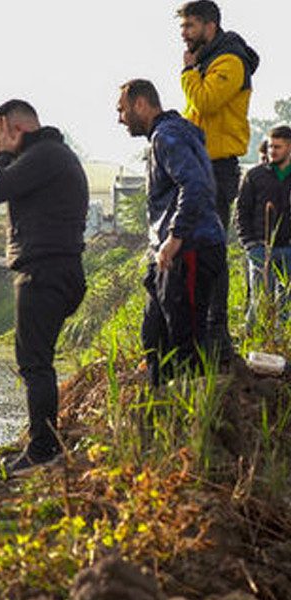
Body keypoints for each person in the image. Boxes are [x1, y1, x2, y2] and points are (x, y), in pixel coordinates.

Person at [0, 99, 88, 472]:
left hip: (45, 272)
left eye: (1, 131)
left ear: (16, 129)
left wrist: (1, 154)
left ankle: (44, 451)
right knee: (37, 362)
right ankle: (40, 440)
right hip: (56, 269)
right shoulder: (51, 155)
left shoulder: (44, 154)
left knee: (35, 364)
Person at [117, 79, 227, 386]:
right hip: (170, 253)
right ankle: (160, 416)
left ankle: (196, 421)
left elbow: (195, 186)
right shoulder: (168, 135)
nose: (120, 119)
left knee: (186, 342)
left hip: (190, 248)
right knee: (154, 336)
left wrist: (174, 237)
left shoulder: (167, 137)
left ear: (141, 104)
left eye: (122, 110)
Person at [177, 0, 260, 361]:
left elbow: (206, 102)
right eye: (182, 27)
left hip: (218, 167)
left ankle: (217, 334)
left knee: (211, 251)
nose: (184, 34)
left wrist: (187, 72)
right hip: (200, 165)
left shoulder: (229, 62)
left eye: (190, 26)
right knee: (198, 252)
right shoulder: (209, 62)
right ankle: (200, 332)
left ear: (210, 26)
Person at [235, 126, 291, 325]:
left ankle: (281, 350)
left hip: (288, 250)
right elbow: (241, 211)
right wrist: (249, 244)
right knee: (258, 304)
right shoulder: (254, 175)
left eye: (278, 147)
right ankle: (253, 348)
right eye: (270, 147)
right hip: (260, 248)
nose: (272, 151)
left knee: (286, 306)